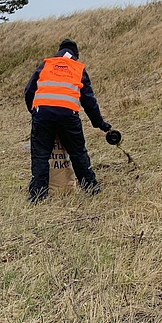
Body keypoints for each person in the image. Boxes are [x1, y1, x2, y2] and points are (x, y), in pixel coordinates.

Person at [24, 39, 111, 203]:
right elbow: (89, 102)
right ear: (75, 55)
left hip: (42, 113)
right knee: (77, 152)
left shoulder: (46, 65)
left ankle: (38, 194)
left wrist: (34, 111)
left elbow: (29, 90)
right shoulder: (78, 68)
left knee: (40, 154)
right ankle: (91, 187)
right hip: (67, 114)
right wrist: (100, 123)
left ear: (59, 52)